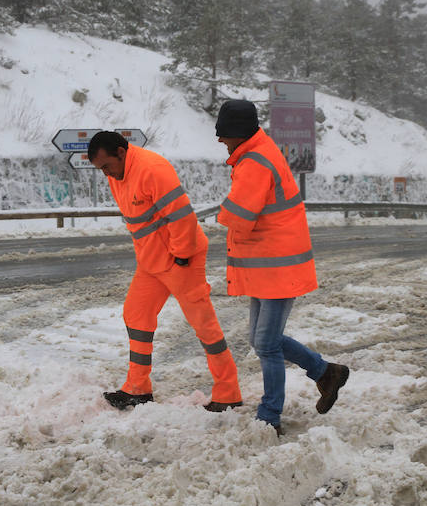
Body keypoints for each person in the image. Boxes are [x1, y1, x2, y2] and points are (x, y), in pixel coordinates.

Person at [213, 99, 350, 434]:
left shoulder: (255, 162)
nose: (221, 142)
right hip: (269, 267)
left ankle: (270, 415)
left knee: (267, 343)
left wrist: (223, 214)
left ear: (238, 133)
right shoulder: (255, 154)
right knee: (261, 340)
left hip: (278, 268)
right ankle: (325, 372)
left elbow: (239, 218)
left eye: (224, 135)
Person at [87, 131, 243, 412]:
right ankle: (138, 388)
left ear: (121, 153)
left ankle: (228, 391)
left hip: (180, 259)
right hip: (151, 262)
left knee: (203, 324)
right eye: (100, 169)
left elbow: (182, 214)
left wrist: (182, 255)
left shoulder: (152, 169)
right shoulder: (117, 175)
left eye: (106, 166)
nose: (105, 174)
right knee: (136, 314)